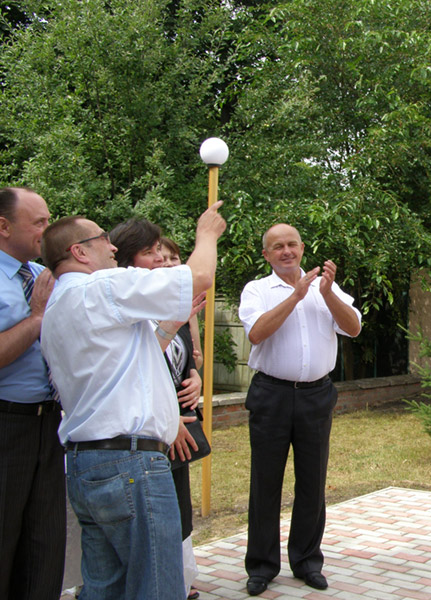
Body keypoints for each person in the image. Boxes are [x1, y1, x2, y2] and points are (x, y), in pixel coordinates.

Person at [39, 202, 225, 600]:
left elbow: (122, 366)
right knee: (156, 586)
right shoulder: (102, 287)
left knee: (105, 588)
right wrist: (207, 233)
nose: (111, 247)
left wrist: (169, 327)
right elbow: (200, 276)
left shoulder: (58, 305)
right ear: (79, 251)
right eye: (103, 239)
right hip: (131, 465)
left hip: (87, 462)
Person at [239, 223, 361, 596]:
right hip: (271, 395)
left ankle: (307, 561)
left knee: (312, 483)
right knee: (265, 483)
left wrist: (325, 293)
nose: (286, 251)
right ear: (267, 255)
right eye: (277, 247)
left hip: (315, 397)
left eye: (292, 244)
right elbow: (257, 333)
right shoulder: (257, 290)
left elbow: (353, 328)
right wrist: (296, 295)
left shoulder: (325, 287)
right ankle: (261, 566)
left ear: (302, 247)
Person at [109, 220, 203, 600]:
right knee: (149, 526)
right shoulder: (128, 306)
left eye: (170, 258)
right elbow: (138, 366)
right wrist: (167, 418)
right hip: (148, 433)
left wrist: (194, 376)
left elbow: (179, 357)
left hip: (176, 425)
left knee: (178, 512)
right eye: (155, 256)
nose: (165, 264)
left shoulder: (169, 306)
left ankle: (179, 581)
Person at [0, 186, 65, 600]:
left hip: (50, 424)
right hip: (7, 426)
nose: (47, 230)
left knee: (45, 543)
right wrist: (39, 317)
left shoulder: (44, 276)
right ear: (3, 226)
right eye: (39, 222)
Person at [162, 236, 203, 369]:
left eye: (173, 258)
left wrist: (193, 364)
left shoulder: (186, 303)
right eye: (163, 259)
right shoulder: (143, 304)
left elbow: (198, 361)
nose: (169, 264)